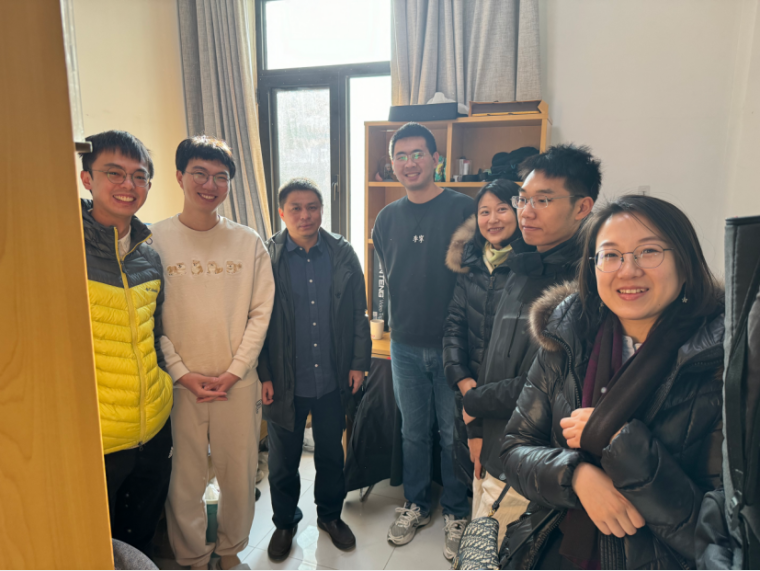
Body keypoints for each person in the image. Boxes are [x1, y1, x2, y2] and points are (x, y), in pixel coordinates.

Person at [501, 195, 725, 570]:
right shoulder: (568, 336)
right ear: (593, 268)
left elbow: (719, 537)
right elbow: (514, 449)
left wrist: (618, 442)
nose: (628, 270)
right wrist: (575, 475)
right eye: (611, 255)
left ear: (685, 263)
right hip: (554, 548)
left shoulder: (722, 363)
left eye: (649, 251)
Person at [460, 145, 598, 544]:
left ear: (582, 207)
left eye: (544, 200)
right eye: (523, 199)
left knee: (497, 551)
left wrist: (473, 403)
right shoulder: (523, 262)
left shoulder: (581, 284)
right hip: (494, 442)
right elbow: (496, 356)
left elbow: (541, 385)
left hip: (527, 460)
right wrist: (476, 429)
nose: (526, 212)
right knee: (479, 545)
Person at [150, 136, 275, 571]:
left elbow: (261, 312)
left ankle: (230, 553)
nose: (210, 185)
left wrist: (235, 371)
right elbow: (149, 317)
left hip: (236, 384)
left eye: (220, 177)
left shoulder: (248, 242)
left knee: (238, 475)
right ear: (179, 176)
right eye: (199, 174)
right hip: (178, 385)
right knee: (183, 481)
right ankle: (193, 557)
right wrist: (181, 372)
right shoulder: (154, 239)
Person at [372, 122, 476, 559]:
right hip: (404, 344)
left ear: (437, 159)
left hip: (454, 346)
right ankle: (415, 503)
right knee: (413, 432)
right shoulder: (386, 218)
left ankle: (456, 510)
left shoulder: (465, 209)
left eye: (418, 154)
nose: (409, 163)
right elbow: (388, 275)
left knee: (453, 433)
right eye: (401, 156)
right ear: (392, 164)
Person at [258, 178, 372, 562]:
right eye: (296, 208)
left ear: (322, 210)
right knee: (282, 462)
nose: (305, 215)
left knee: (330, 456)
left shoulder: (342, 253)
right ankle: (284, 522)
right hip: (284, 380)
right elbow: (256, 320)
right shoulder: (267, 255)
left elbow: (358, 313)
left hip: (332, 378)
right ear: (282, 212)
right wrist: (264, 373)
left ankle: (330, 516)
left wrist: (358, 363)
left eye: (312, 207)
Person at [78, 130, 173, 555]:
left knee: (140, 540)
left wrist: (164, 386)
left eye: (139, 176)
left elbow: (154, 332)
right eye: (114, 173)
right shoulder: (65, 249)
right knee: (97, 547)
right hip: (98, 438)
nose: (128, 185)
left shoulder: (148, 255)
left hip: (153, 428)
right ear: (87, 178)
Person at [442, 180, 522, 492]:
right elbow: (454, 323)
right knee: (470, 467)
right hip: (469, 386)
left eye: (502, 209)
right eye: (484, 212)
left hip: (509, 397)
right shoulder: (472, 262)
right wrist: (462, 380)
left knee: (500, 479)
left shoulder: (529, 267)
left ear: (519, 211)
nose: (493, 219)